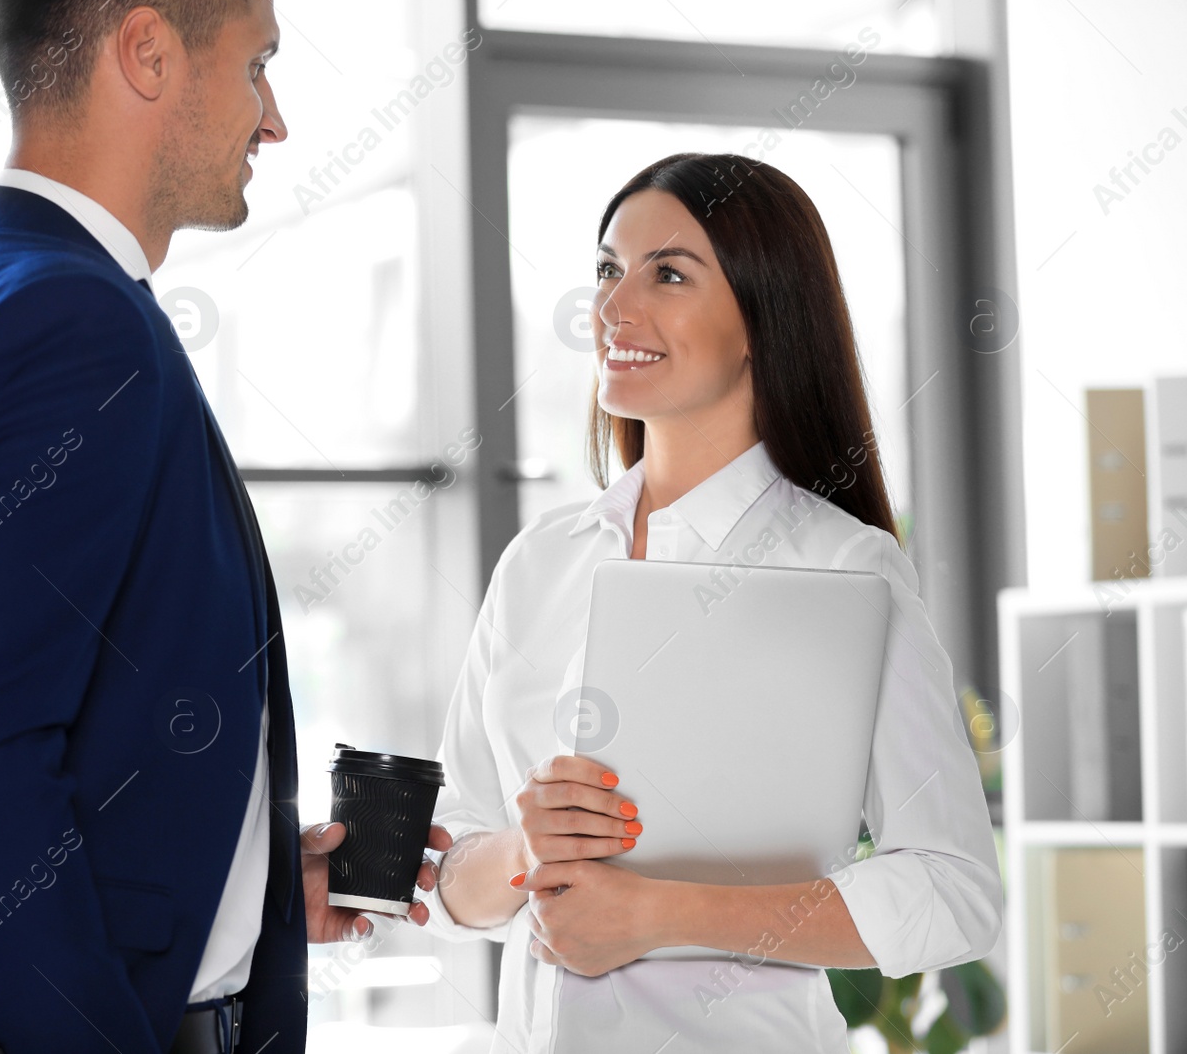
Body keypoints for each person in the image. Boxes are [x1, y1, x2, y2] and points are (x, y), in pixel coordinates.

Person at [0, 0, 446, 1052]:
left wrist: (242, 883)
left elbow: (35, 707)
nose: (276, 119)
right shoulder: (70, 323)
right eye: (257, 65)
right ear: (149, 52)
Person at [425, 153, 1003, 1052]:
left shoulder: (845, 567)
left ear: (761, 317)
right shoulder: (538, 562)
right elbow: (450, 862)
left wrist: (661, 913)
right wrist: (522, 853)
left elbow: (954, 889)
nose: (615, 308)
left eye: (669, 273)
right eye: (610, 270)